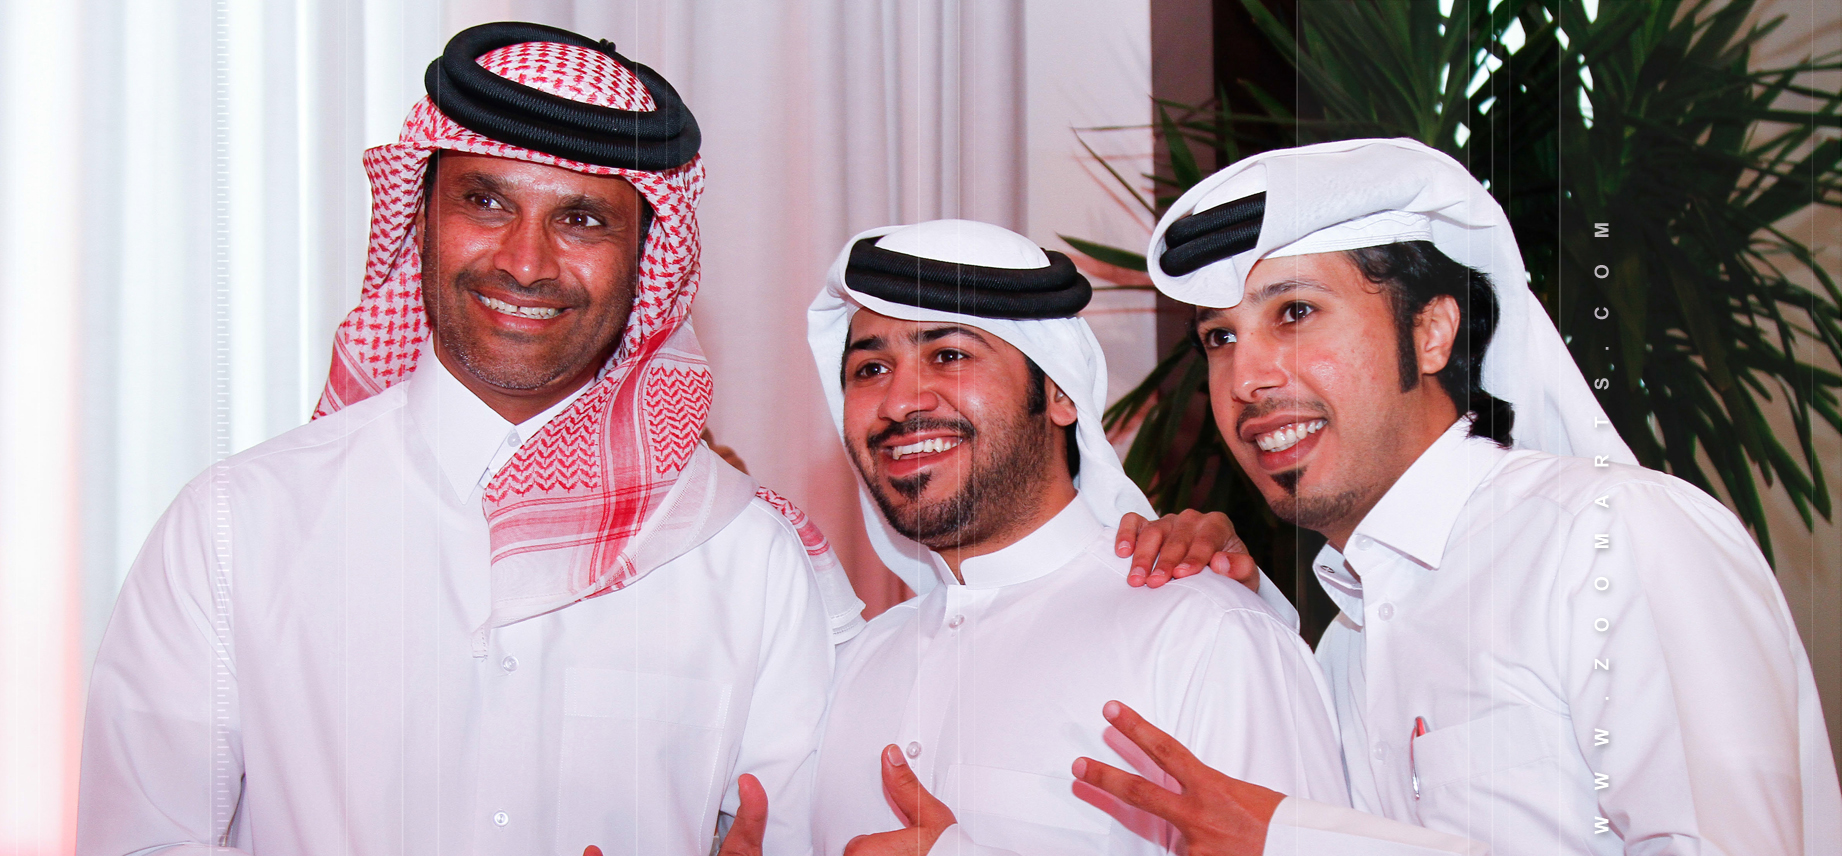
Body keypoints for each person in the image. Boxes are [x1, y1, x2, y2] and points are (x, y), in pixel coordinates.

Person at [76, 22, 863, 856]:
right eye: (486, 203)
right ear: (419, 219)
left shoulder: (744, 554)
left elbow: (799, 836)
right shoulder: (238, 525)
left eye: (582, 219)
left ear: (646, 258)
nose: (526, 263)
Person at [1073, 138, 1842, 854]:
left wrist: (1293, 841)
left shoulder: (1613, 539)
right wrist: (1237, 612)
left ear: (1432, 332)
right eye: (1220, 338)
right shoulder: (1344, 648)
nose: (1247, 378)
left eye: (1296, 313)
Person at [804, 219, 1349, 856]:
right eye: (870, 368)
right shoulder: (861, 661)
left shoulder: (1206, 636)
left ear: (1060, 391)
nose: (899, 402)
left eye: (949, 356)